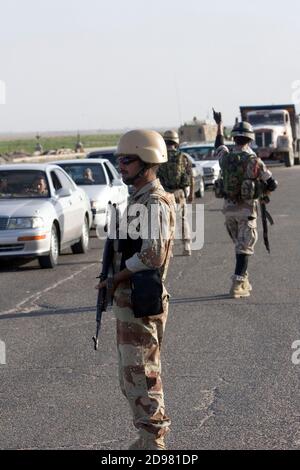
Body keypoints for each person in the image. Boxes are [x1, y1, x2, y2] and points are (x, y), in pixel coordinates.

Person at [97, 129, 176, 450]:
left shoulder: (154, 202)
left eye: (127, 160)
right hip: (131, 302)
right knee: (131, 377)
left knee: (142, 375)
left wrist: (118, 277)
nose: (121, 166)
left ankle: (154, 442)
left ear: (147, 161)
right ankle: (147, 438)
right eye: (119, 160)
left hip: (141, 300)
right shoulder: (138, 199)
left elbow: (153, 254)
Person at [213, 109, 278, 298]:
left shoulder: (225, 158)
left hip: (228, 210)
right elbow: (272, 183)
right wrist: (263, 192)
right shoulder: (254, 160)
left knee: (239, 246)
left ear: (233, 139)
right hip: (247, 210)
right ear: (250, 140)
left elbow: (218, 145)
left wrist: (219, 125)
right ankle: (236, 285)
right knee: (245, 247)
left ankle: (245, 280)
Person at [158, 130, 194, 255]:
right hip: (179, 193)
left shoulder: (160, 158)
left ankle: (169, 249)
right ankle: (187, 246)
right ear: (176, 142)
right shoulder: (182, 157)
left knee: (166, 221)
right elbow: (190, 175)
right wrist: (191, 193)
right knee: (182, 219)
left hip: (165, 193)